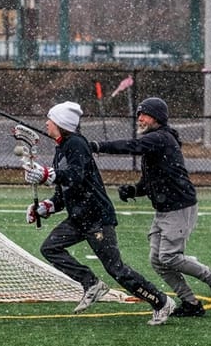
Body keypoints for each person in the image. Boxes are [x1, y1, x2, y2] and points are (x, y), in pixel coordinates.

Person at [22, 101, 176, 325]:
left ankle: (161, 302)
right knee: (50, 248)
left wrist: (47, 175)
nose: (46, 123)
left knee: (116, 269)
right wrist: (45, 207)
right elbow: (64, 192)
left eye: (50, 119)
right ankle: (91, 283)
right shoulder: (62, 148)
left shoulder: (76, 144)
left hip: (96, 218)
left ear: (60, 123)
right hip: (79, 218)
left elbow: (76, 176)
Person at [89, 97, 211, 317]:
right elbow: (150, 181)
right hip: (164, 209)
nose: (140, 118)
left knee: (169, 257)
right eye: (139, 114)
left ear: (157, 117)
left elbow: (132, 146)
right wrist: (134, 190)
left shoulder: (160, 138)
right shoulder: (155, 141)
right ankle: (191, 303)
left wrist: (98, 146)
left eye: (144, 114)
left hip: (179, 207)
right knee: (157, 260)